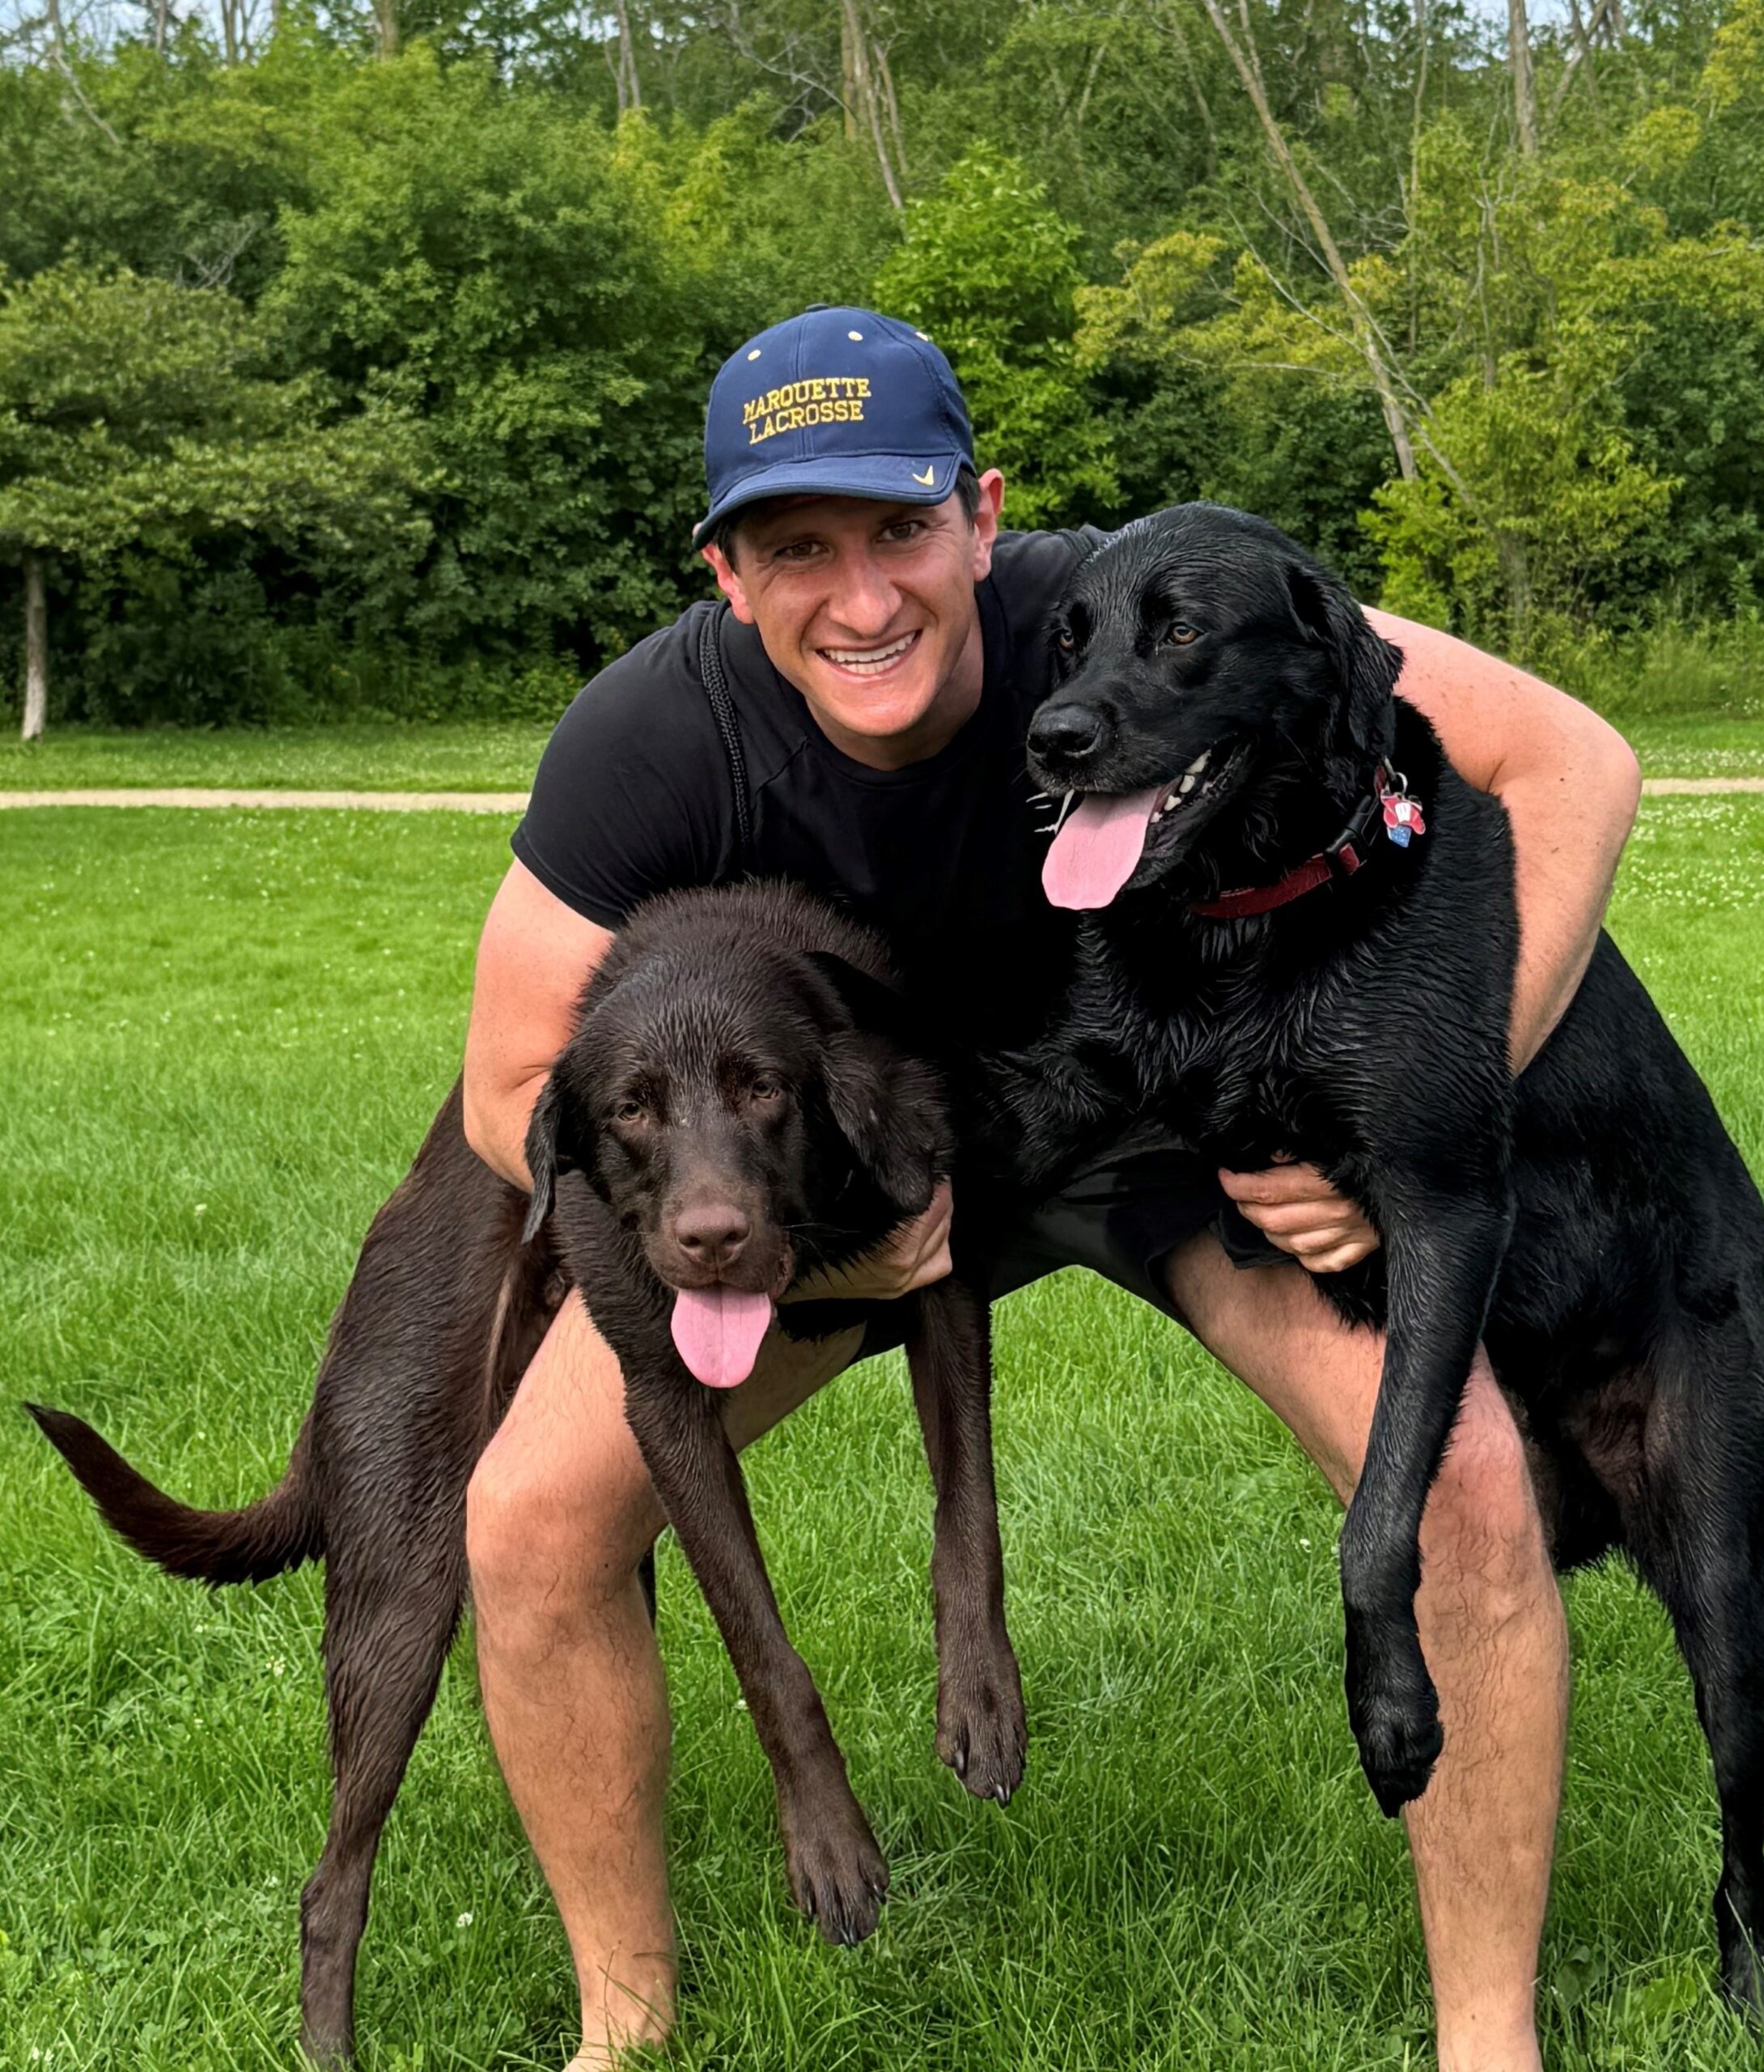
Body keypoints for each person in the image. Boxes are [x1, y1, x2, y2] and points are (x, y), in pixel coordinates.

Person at [459, 307, 1643, 2070]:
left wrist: (1436, 1114)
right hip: (852, 1194)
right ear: (725, 574)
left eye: (899, 530)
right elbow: (505, 1095)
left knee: (1463, 1478)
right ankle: (620, 2028)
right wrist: (817, 1264)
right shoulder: (651, 738)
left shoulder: (1131, 606)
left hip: (1166, 1140)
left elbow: (1572, 759)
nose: (862, 596)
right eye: (798, 549)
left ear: (984, 513)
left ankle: (1491, 2043)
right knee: (531, 1522)